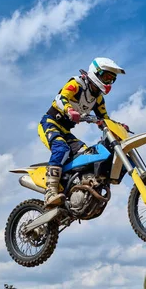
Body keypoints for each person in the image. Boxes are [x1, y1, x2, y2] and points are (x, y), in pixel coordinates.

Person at [37, 57, 129, 208]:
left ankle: (75, 190)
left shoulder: (98, 99)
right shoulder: (77, 84)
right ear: (96, 73)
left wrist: (117, 126)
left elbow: (105, 118)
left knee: (87, 155)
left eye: (111, 79)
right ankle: (50, 191)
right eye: (106, 77)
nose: (108, 81)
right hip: (50, 123)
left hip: (65, 131)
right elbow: (60, 98)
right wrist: (69, 109)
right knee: (61, 148)